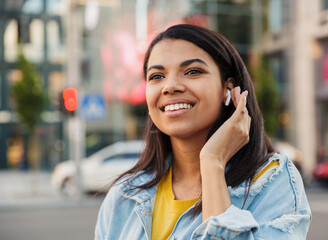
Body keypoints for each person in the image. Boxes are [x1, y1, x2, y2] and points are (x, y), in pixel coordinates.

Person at [95, 24, 311, 240]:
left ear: (228, 89)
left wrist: (212, 162)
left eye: (193, 71)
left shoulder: (273, 181)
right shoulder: (123, 196)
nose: (169, 87)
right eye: (156, 76)